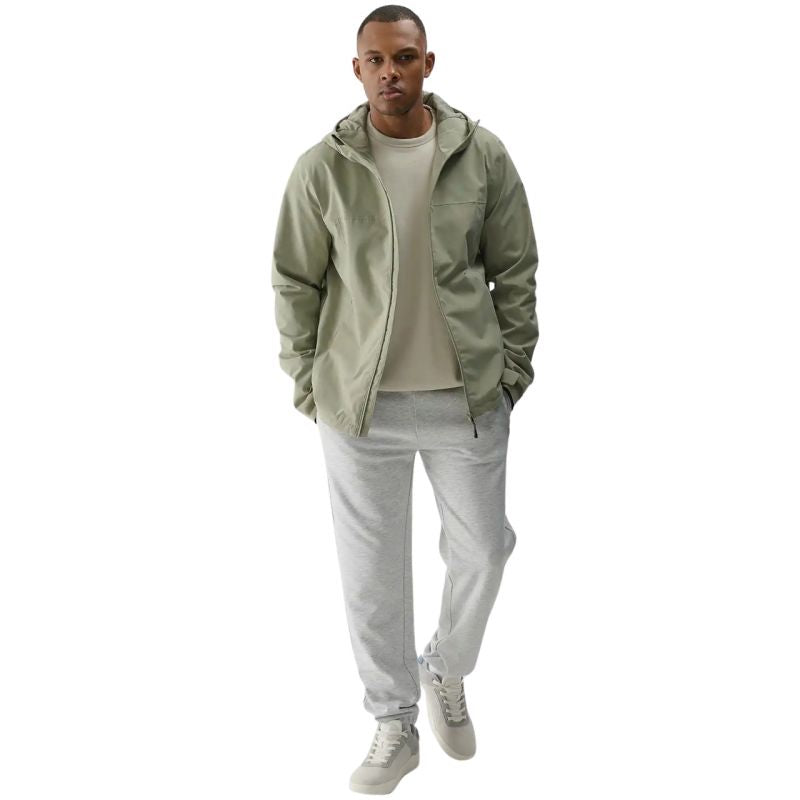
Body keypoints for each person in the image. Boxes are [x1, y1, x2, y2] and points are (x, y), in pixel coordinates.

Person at [271, 5, 538, 794]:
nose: (391, 71)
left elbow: (515, 269)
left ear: (428, 63)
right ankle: (394, 721)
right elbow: (295, 279)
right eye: (377, 59)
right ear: (357, 69)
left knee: (485, 549)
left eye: (405, 57)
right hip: (361, 408)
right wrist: (307, 380)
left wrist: (511, 371)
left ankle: (445, 666)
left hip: (466, 400)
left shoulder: (482, 155)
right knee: (372, 574)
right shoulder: (323, 168)